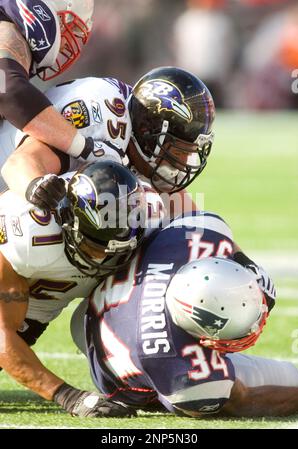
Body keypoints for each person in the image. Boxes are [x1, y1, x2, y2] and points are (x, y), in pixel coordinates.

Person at [70, 211, 296, 418]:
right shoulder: (175, 364)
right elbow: (241, 401)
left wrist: (245, 265)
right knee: (289, 378)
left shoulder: (189, 238)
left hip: (102, 307)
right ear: (203, 331)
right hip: (108, 362)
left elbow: (228, 244)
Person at [0, 160, 146, 418]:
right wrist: (69, 396)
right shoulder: (27, 233)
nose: (103, 257)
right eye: (95, 245)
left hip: (32, 313)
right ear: (68, 221)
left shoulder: (141, 215)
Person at [1, 67, 215, 212]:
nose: (184, 162)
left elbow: (184, 217)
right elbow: (18, 164)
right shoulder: (103, 119)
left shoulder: (135, 133)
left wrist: (233, 255)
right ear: (147, 132)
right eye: (178, 151)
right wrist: (43, 192)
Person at [0, 0, 96, 170]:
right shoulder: (6, 29)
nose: (65, 44)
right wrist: (86, 148)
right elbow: (7, 90)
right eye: (69, 27)